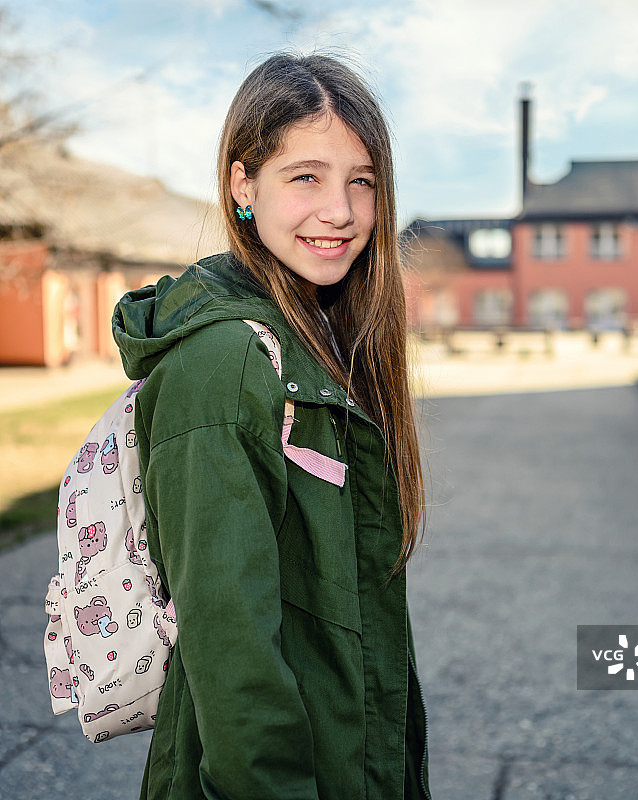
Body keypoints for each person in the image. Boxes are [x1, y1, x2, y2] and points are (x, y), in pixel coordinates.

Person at [112, 52, 431, 800]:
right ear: (242, 185)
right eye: (306, 177)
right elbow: (234, 655)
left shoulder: (318, 339)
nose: (342, 211)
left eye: (362, 181)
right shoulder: (225, 365)